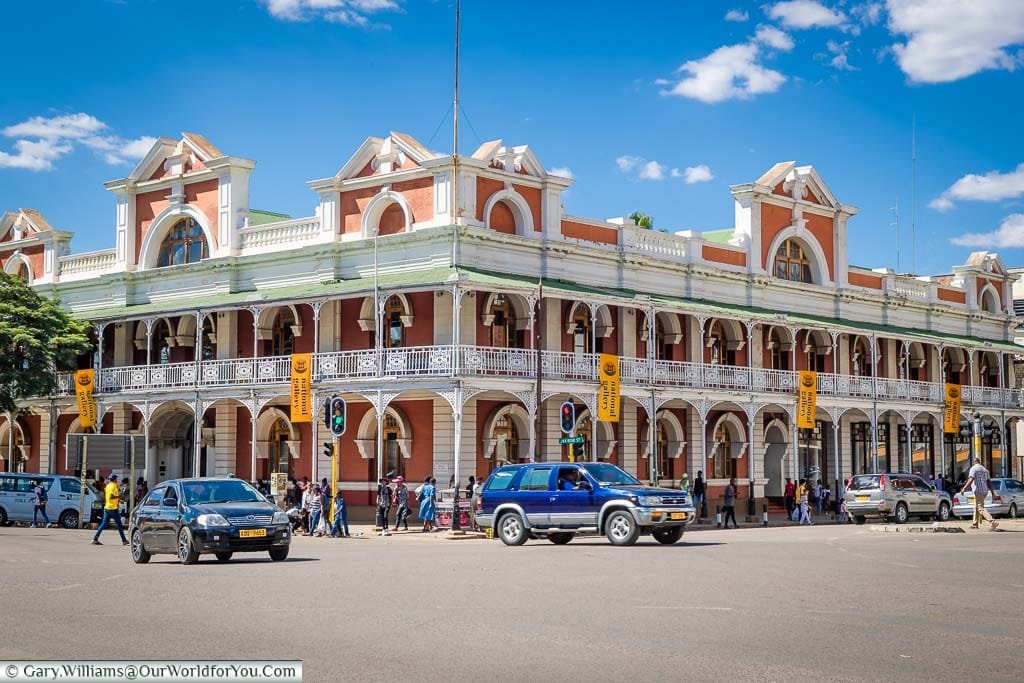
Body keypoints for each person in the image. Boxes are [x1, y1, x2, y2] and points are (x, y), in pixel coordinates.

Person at [960, 456, 998, 531]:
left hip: (978, 491)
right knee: (976, 507)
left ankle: (992, 521)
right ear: (980, 462)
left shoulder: (973, 469)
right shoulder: (985, 470)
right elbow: (989, 482)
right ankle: (975, 524)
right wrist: (992, 492)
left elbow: (971, 479)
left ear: (974, 462)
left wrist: (964, 488)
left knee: (980, 508)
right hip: (985, 491)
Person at [91, 474, 128, 545]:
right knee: (119, 525)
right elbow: (111, 497)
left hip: (107, 507)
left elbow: (108, 497)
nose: (117, 480)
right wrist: (119, 496)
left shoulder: (107, 485)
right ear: (114, 479)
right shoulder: (113, 486)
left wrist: (119, 500)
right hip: (113, 509)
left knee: (103, 524)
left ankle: (95, 539)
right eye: (116, 479)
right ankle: (124, 540)